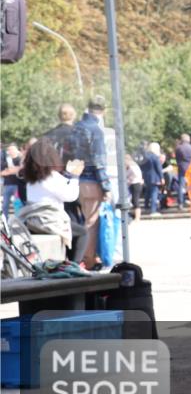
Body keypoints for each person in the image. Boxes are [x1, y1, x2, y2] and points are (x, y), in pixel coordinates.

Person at [21, 138, 87, 263]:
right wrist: (75, 176)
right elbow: (70, 196)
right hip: (50, 221)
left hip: (33, 221)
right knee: (82, 233)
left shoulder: (31, 179)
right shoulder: (50, 177)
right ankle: (75, 264)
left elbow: (59, 184)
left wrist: (69, 174)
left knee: (72, 229)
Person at [68, 96, 112, 270]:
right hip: (91, 181)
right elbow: (98, 161)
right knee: (91, 223)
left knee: (78, 221)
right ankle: (88, 260)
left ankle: (80, 257)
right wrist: (106, 186)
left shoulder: (75, 128)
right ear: (104, 110)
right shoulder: (96, 130)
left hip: (75, 180)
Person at [140, 142, 164, 215]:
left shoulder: (145, 156)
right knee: (154, 193)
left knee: (147, 192)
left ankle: (146, 207)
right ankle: (153, 210)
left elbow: (142, 167)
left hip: (146, 177)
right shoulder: (155, 157)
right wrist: (162, 177)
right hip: (155, 177)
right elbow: (158, 168)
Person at [175, 134, 191, 208]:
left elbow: (176, 158)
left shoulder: (178, 148)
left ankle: (180, 203)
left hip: (181, 168)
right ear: (189, 140)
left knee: (181, 186)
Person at [1, 143, 23, 219]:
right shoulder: (5, 161)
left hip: (18, 185)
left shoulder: (20, 160)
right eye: (9, 150)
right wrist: (13, 170)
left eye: (12, 149)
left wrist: (10, 171)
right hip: (7, 185)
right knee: (5, 205)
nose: (10, 151)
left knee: (17, 204)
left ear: (16, 150)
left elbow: (20, 170)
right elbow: (1, 173)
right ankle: (5, 222)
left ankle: (18, 221)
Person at [124, 153, 144, 223]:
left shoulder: (132, 165)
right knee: (133, 200)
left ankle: (137, 217)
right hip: (133, 183)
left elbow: (135, 175)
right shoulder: (130, 165)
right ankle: (135, 216)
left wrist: (128, 179)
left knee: (135, 200)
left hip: (136, 183)